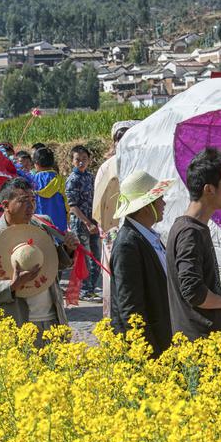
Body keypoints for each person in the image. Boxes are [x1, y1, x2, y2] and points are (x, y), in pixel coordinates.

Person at [0, 177, 79, 346]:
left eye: (33, 200)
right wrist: (12, 285)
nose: (31, 206)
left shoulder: (43, 224)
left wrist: (68, 249)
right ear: (6, 205)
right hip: (17, 328)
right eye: (23, 201)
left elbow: (50, 264)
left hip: (53, 323)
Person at [166, 147, 221, 345]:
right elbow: (193, 291)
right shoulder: (190, 232)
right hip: (202, 350)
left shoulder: (192, 228)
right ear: (209, 189)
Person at [110, 170, 174, 356]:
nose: (164, 203)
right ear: (147, 206)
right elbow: (130, 309)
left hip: (162, 338)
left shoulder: (147, 237)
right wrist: (148, 354)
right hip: (148, 348)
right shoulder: (127, 244)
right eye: (159, 198)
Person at [93, 120, 140, 316]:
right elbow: (100, 206)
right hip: (115, 233)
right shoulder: (107, 167)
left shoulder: (142, 161)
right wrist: (110, 234)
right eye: (119, 138)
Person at [66, 145, 101, 300]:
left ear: (89, 160)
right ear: (72, 162)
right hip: (81, 224)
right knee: (84, 258)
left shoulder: (90, 177)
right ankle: (84, 291)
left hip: (93, 222)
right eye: (77, 160)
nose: (81, 162)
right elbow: (73, 207)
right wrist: (87, 222)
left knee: (96, 256)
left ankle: (90, 289)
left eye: (84, 159)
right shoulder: (72, 180)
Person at [32, 147, 69, 234]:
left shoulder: (32, 181)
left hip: (41, 223)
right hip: (59, 224)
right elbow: (67, 203)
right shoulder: (60, 180)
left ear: (36, 164)